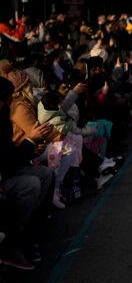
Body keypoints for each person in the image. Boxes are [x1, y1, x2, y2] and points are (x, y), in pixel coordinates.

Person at [0, 76, 55, 270]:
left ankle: (30, 233)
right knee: (31, 184)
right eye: (8, 97)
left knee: (45, 174)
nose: (11, 100)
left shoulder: (5, 115)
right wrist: (31, 140)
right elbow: (5, 158)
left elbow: (10, 155)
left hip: (8, 170)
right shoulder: (17, 109)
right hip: (4, 176)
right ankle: (12, 243)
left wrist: (31, 148)